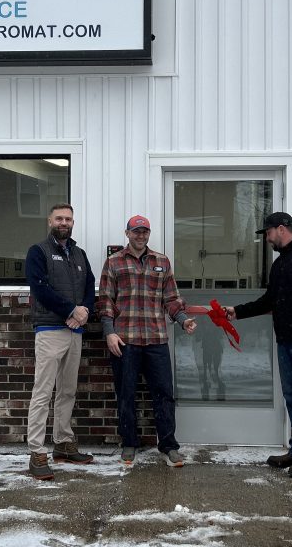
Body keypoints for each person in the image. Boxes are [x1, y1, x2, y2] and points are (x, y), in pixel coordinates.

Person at [227, 212, 292, 478]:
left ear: (282, 229)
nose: (267, 238)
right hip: (286, 339)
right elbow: (270, 300)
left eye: (269, 232)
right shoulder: (281, 263)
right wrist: (238, 312)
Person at [97, 215, 197, 468]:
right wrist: (109, 332)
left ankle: (169, 446)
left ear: (149, 234)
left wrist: (183, 320)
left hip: (156, 339)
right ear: (127, 234)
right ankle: (129, 443)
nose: (140, 236)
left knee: (164, 394)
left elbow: (171, 299)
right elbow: (106, 301)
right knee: (126, 394)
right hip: (124, 340)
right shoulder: (114, 262)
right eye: (136, 231)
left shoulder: (161, 261)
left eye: (145, 232)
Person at [24, 203, 96, 480]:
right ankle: (37, 452)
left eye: (68, 219)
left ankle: (63, 443)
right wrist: (70, 310)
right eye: (59, 218)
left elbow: (89, 286)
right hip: (50, 330)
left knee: (67, 391)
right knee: (43, 392)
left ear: (73, 222)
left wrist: (84, 312)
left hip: (75, 330)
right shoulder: (38, 251)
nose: (64, 222)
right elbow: (40, 288)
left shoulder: (79, 254)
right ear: (50, 221)